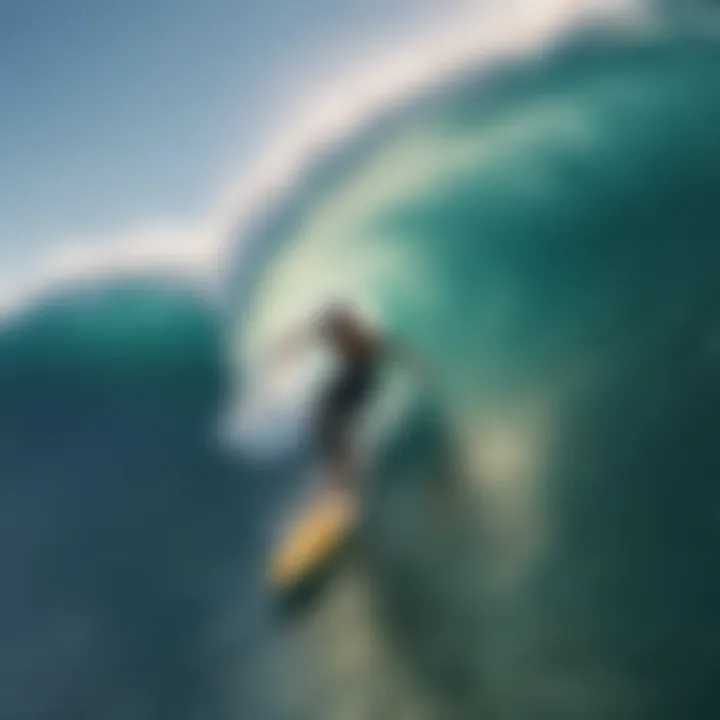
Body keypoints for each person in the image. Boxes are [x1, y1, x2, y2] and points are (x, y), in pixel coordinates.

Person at [268, 303, 422, 493]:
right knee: (320, 418)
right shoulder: (332, 330)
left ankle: (350, 474)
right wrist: (284, 347)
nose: (337, 337)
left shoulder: (367, 340)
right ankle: (342, 475)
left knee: (331, 419)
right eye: (336, 331)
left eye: (342, 331)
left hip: (364, 383)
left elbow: (396, 350)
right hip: (349, 378)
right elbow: (306, 334)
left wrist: (417, 367)